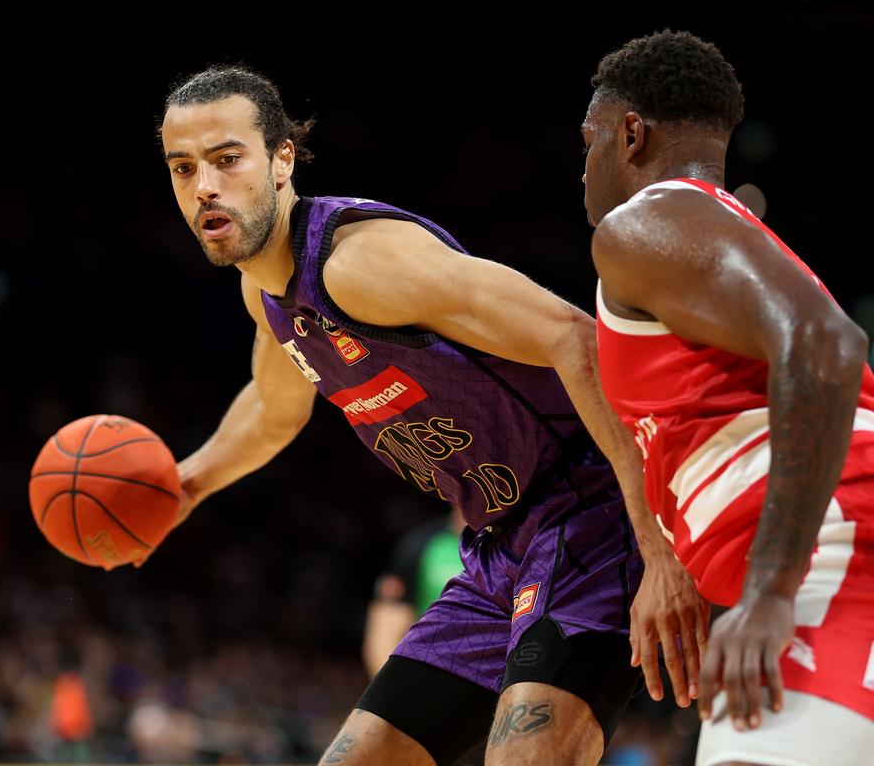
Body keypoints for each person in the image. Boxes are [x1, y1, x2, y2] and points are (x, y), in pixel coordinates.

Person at [156, 64, 703, 766]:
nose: (204, 186)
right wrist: (187, 484)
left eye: (227, 160)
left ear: (282, 160)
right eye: (182, 167)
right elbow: (271, 408)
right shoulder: (264, 298)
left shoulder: (359, 263)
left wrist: (657, 544)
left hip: (592, 511)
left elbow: (578, 340)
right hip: (498, 543)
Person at [583, 29, 874, 766]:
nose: (581, 167)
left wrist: (773, 591)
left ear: (629, 134)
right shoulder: (707, 238)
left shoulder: (647, 222)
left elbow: (828, 346)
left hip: (834, 555)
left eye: (587, 140)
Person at [362, 505, 465, 679]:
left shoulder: (517, 544)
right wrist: (395, 690)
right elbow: (384, 631)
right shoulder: (421, 545)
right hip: (432, 673)